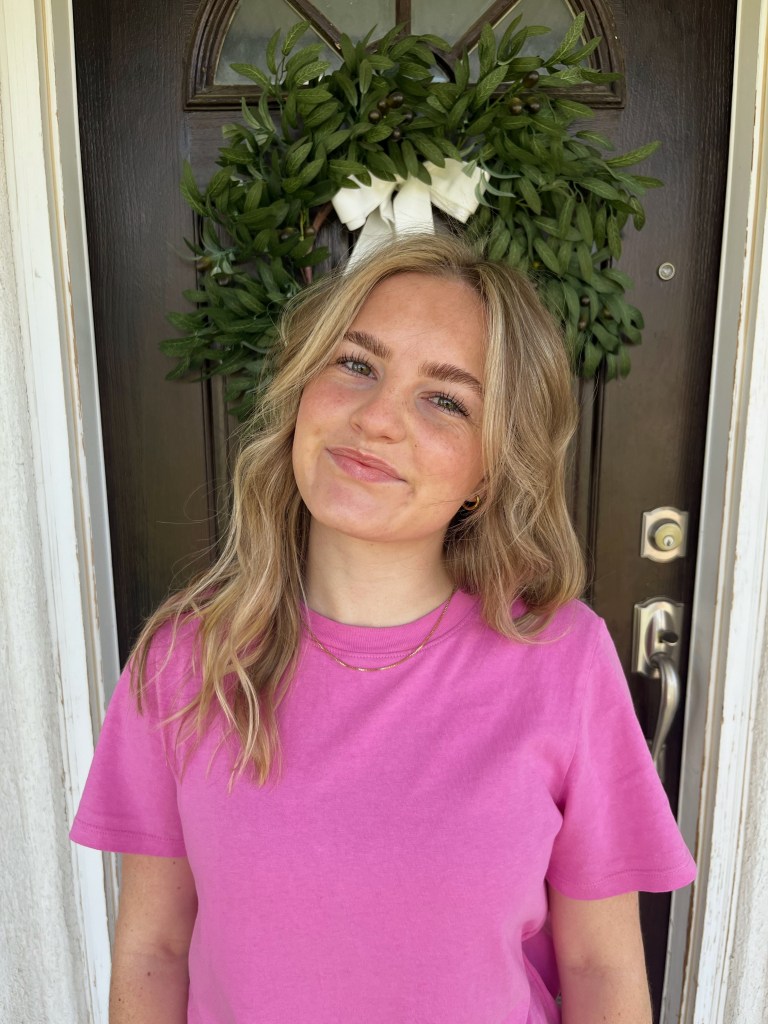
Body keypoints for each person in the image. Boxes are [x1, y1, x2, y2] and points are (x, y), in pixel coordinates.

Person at [70, 232, 696, 1024]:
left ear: (490, 468)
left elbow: (601, 970)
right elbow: (154, 950)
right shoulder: (186, 662)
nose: (376, 420)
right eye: (357, 365)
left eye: (446, 400)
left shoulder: (562, 660)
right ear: (303, 389)